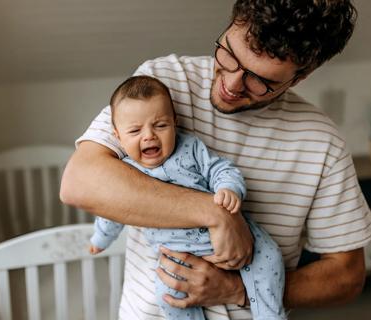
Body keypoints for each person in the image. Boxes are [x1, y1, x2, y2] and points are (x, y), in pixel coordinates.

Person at [60, 0, 371, 319]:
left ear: (300, 77)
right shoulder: (164, 82)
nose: (231, 84)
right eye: (229, 55)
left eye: (261, 81)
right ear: (232, 22)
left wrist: (236, 288)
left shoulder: (321, 141)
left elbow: (347, 277)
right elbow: (79, 184)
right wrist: (217, 215)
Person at [89, 75, 286, 320]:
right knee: (168, 296)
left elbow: (220, 169)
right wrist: (101, 237)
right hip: (177, 257)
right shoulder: (127, 172)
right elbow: (113, 208)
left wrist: (229, 188)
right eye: (135, 130)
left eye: (160, 125)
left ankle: (269, 316)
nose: (149, 136)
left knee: (269, 256)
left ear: (175, 123)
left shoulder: (190, 148)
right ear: (118, 137)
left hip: (234, 238)